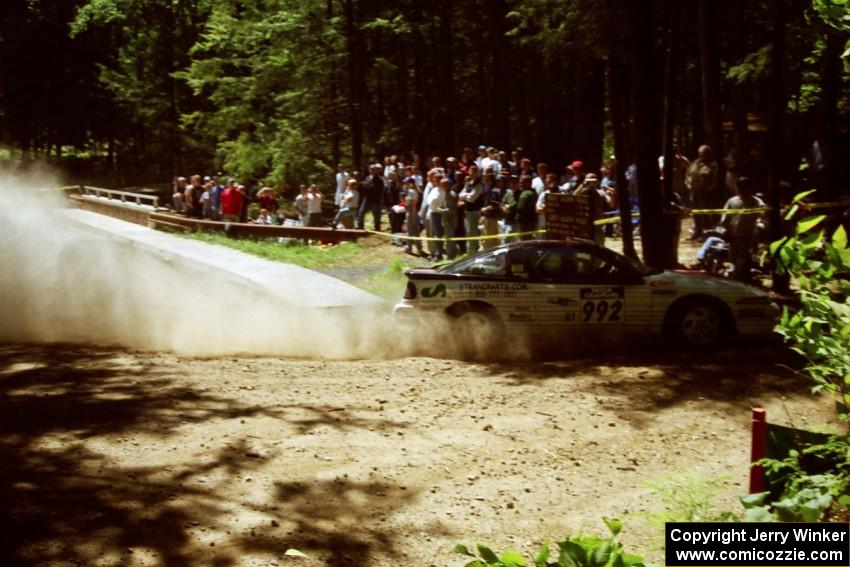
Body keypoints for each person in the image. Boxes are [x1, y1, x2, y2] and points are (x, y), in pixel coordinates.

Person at [719, 176, 764, 281]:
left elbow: (763, 215)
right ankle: (739, 274)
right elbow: (725, 217)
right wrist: (724, 230)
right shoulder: (732, 201)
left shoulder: (756, 202)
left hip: (748, 235)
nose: (741, 190)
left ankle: (736, 276)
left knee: (742, 257)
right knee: (733, 256)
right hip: (734, 234)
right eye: (739, 187)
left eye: (744, 187)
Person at [686, 144, 719, 239]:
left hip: (704, 192)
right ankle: (697, 232)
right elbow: (688, 173)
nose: (702, 155)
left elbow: (715, 178)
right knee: (695, 212)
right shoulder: (695, 162)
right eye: (700, 153)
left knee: (703, 212)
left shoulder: (713, 164)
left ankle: (705, 233)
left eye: (704, 153)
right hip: (693, 191)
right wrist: (688, 184)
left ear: (708, 154)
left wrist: (710, 188)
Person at [458, 164, 485, 253]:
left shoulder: (479, 184)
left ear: (477, 173)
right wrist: (467, 196)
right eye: (471, 170)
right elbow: (460, 195)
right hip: (468, 211)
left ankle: (473, 252)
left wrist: (465, 196)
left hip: (476, 211)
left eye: (474, 171)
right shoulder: (468, 183)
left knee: (474, 232)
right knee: (469, 232)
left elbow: (472, 198)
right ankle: (472, 251)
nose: (472, 173)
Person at [358, 163, 384, 231]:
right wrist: (364, 186)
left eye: (373, 169)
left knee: (376, 214)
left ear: (376, 170)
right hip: (367, 198)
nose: (372, 170)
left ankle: (377, 228)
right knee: (361, 212)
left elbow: (380, 189)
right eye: (371, 169)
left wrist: (370, 187)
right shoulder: (367, 177)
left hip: (375, 199)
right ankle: (360, 226)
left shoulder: (380, 179)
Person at [427, 177, 448, 261]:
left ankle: (439, 254)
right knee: (434, 234)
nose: (434, 181)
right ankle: (436, 252)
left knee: (439, 234)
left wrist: (435, 204)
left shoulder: (443, 191)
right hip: (432, 212)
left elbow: (437, 201)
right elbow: (429, 200)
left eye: (436, 180)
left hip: (439, 213)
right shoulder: (434, 189)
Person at [480, 172, 501, 249]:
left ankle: (489, 254)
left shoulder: (494, 191)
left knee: (489, 238)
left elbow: (494, 205)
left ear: (491, 180)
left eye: (486, 180)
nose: (485, 181)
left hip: (492, 217)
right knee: (488, 236)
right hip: (487, 216)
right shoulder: (487, 190)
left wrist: (485, 209)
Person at [403, 177, 424, 256]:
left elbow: (414, 203)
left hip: (412, 212)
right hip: (410, 211)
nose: (405, 184)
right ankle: (418, 247)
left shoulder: (413, 192)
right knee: (414, 230)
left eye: (407, 182)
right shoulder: (410, 191)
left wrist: (412, 213)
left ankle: (409, 247)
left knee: (411, 229)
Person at [516, 174, 538, 240]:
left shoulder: (525, 194)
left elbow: (519, 208)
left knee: (523, 240)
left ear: (529, 183)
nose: (520, 184)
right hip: (532, 221)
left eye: (522, 182)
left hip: (524, 222)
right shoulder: (534, 192)